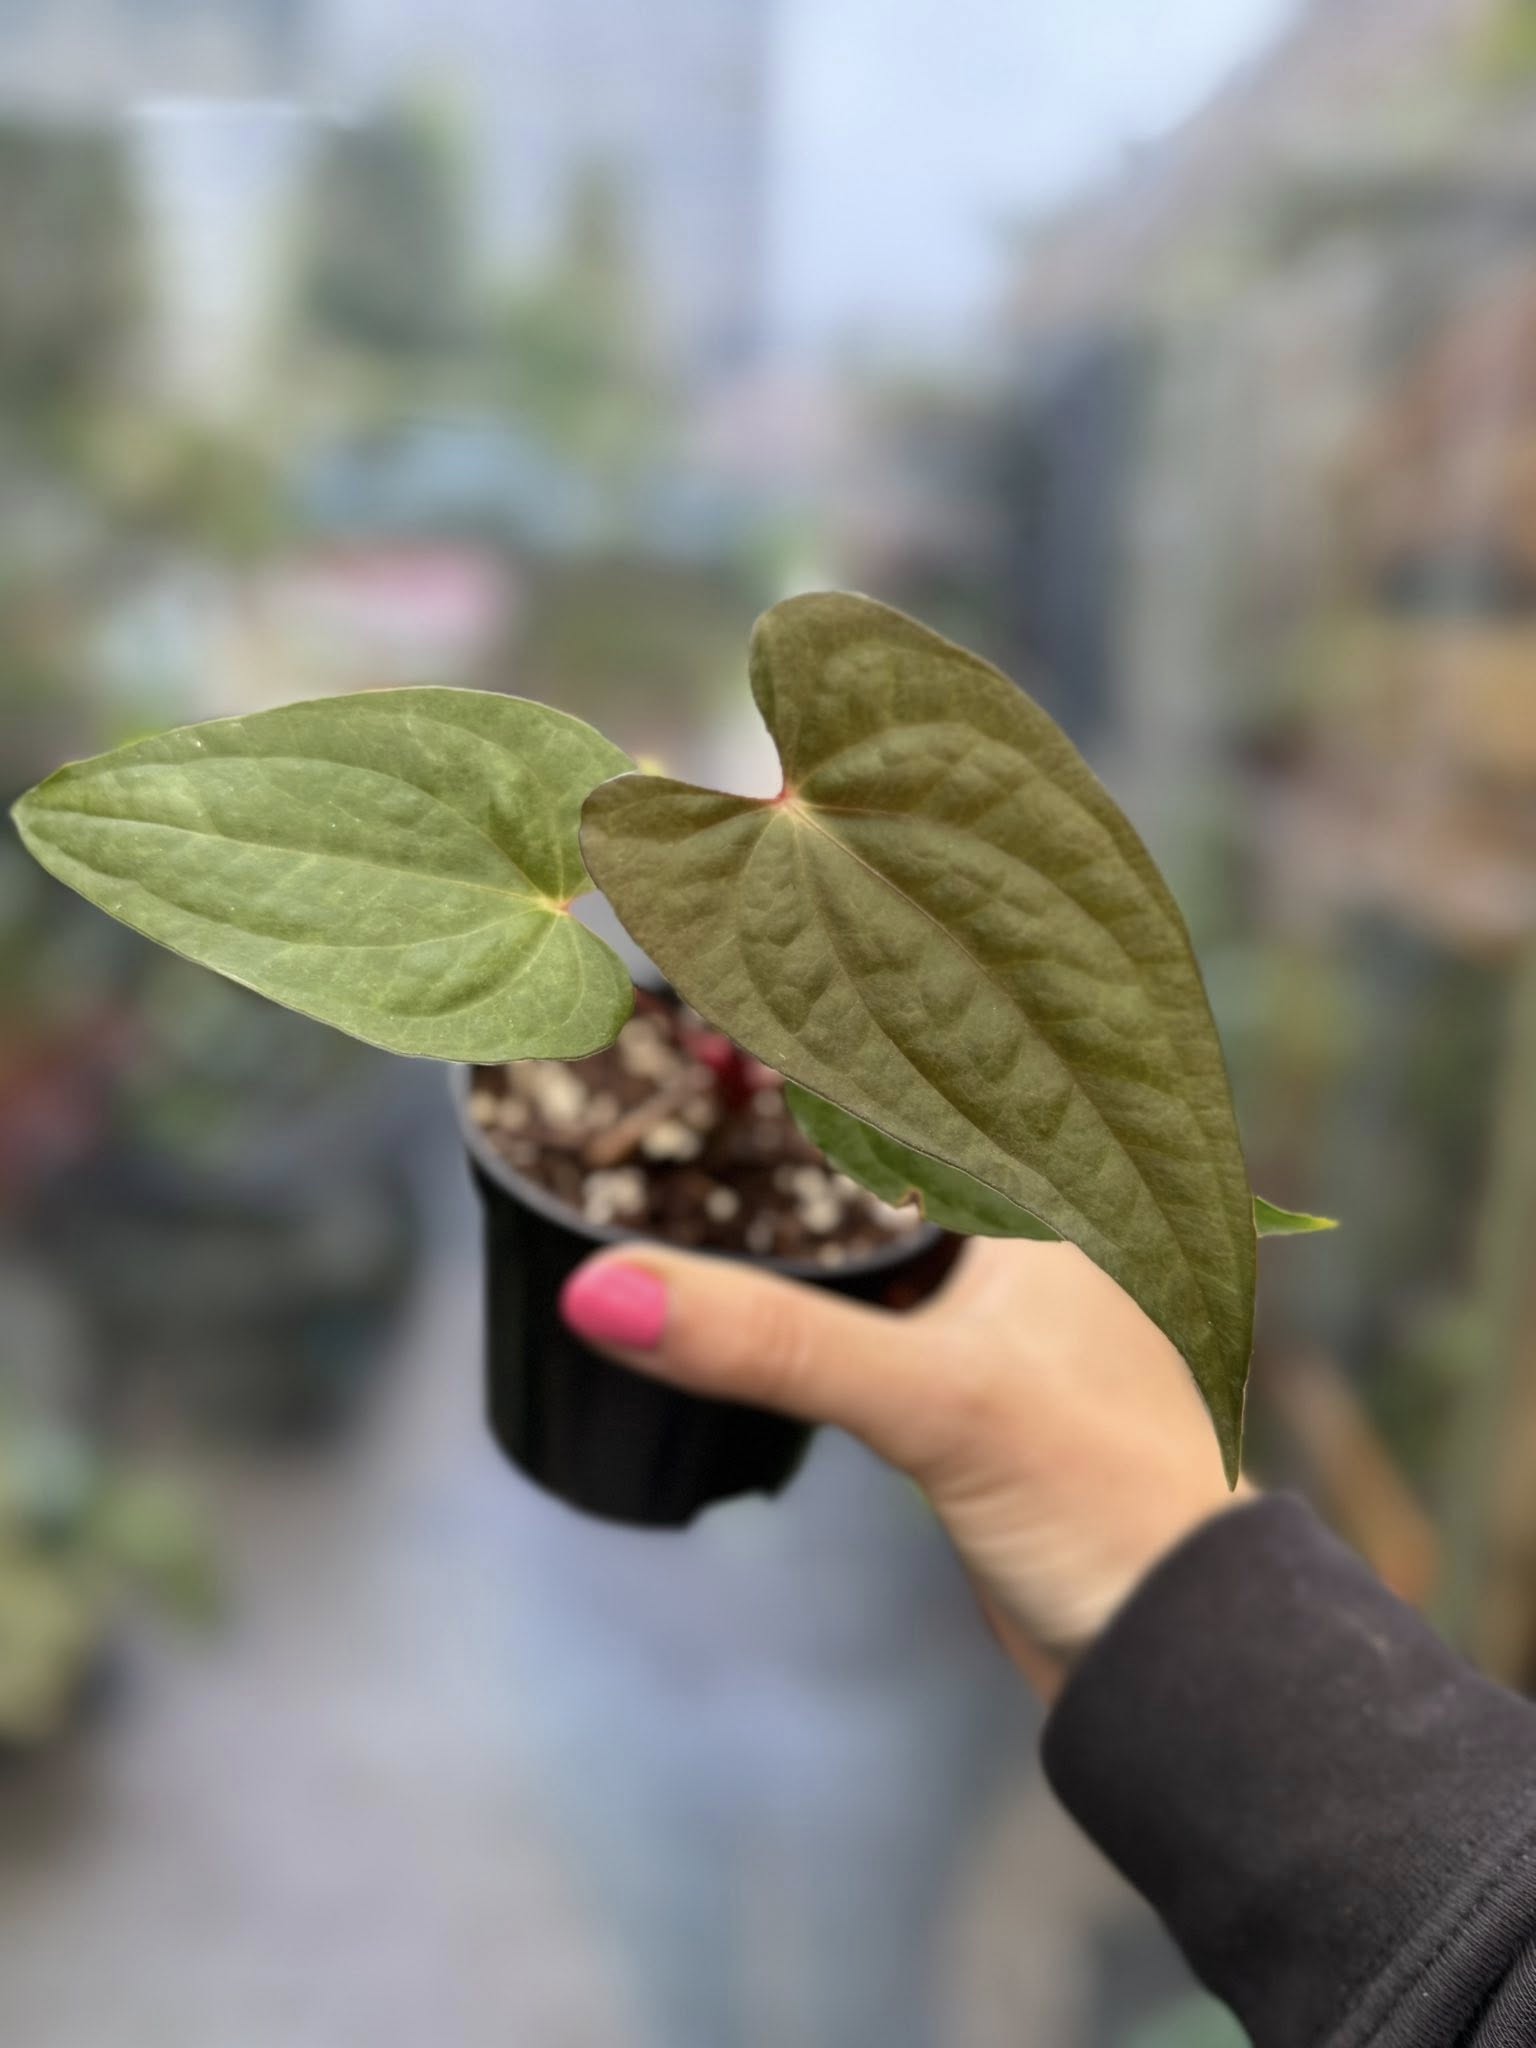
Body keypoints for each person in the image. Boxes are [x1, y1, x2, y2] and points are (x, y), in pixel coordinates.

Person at [560, 1235, 1536, 2047]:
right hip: (653, 1630)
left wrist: (1206, 1600)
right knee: (698, 1911)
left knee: (848, 1936)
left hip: (874, 1654)